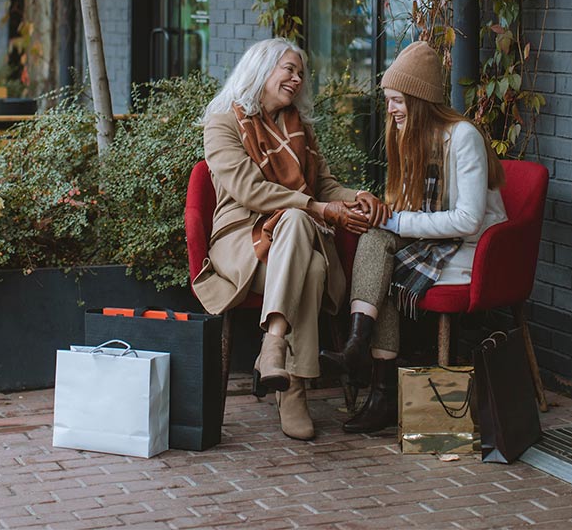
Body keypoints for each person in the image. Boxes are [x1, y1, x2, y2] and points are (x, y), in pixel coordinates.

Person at [194, 38, 389, 441]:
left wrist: (357, 197)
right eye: (289, 69)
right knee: (310, 254)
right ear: (261, 69)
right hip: (241, 239)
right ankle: (296, 389)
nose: (297, 79)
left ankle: (274, 347)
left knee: (303, 238)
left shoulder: (299, 128)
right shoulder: (222, 123)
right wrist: (316, 208)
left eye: (300, 73)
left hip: (291, 244)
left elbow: (325, 186)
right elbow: (250, 191)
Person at [320, 40, 508, 433]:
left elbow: (468, 220)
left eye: (397, 101)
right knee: (375, 240)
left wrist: (398, 223)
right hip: (434, 243)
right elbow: (410, 208)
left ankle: (374, 378)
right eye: (388, 100)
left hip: (472, 252)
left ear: (420, 100)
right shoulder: (412, 136)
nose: (389, 110)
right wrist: (380, 213)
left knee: (384, 263)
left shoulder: (463, 138)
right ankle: (365, 360)